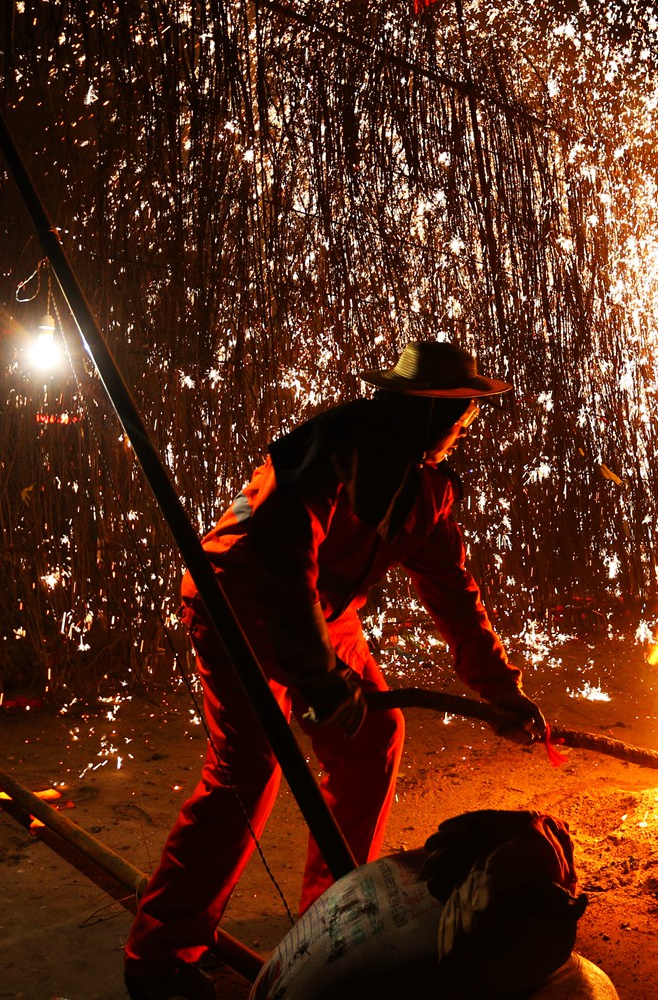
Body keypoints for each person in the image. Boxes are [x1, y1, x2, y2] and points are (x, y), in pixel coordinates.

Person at [123, 341, 548, 1000]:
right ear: (431, 411)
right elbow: (280, 564)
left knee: (374, 737)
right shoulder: (327, 455)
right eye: (463, 411)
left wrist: (501, 691)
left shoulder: (425, 488)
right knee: (248, 769)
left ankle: (329, 922)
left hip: (321, 610)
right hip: (238, 596)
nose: (468, 424)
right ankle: (159, 958)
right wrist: (321, 681)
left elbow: (454, 595)